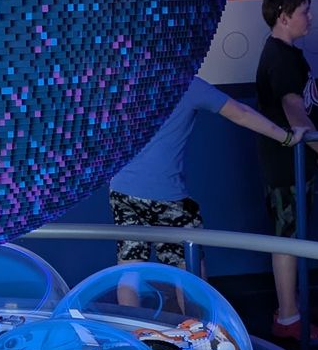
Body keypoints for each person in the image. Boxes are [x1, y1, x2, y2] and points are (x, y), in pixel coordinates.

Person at [109, 77, 298, 310]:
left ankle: (133, 337)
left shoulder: (126, 83)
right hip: (166, 194)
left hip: (122, 189)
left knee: (130, 267)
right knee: (189, 273)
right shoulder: (188, 84)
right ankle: (197, 339)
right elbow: (239, 113)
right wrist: (287, 137)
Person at [254, 0, 318, 340]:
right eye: (304, 12)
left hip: (291, 164)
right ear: (284, 17)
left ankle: (292, 304)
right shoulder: (281, 58)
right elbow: (293, 107)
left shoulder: (284, 53)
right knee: (287, 238)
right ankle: (288, 318)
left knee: (293, 234)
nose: (309, 18)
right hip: (288, 165)